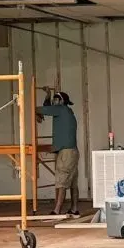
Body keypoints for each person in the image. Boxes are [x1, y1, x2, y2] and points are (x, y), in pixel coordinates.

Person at [37, 87, 80, 217]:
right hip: (72, 152)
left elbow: (40, 109)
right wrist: (48, 95)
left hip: (66, 153)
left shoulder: (60, 110)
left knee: (61, 181)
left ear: (60, 101)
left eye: (55, 99)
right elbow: (47, 108)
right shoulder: (67, 111)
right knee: (72, 182)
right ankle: (74, 209)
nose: (54, 101)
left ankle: (56, 210)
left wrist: (37, 115)